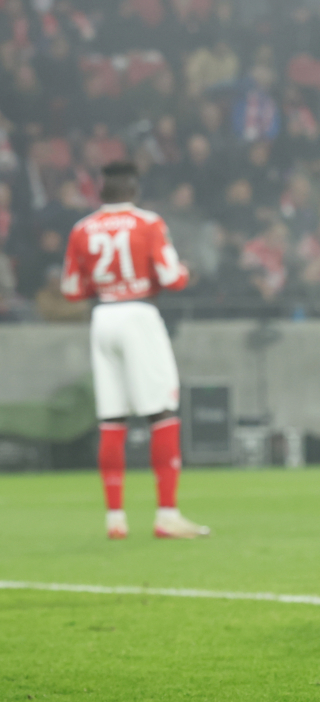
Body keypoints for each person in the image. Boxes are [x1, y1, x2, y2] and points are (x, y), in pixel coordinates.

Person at [60, 161, 209, 540]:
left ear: (101, 191)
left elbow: (72, 290)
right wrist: (187, 271)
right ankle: (167, 514)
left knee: (112, 417)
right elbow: (172, 278)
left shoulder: (82, 228)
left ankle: (115, 519)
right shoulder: (148, 223)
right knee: (162, 411)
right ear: (134, 190)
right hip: (139, 314)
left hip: (103, 317)